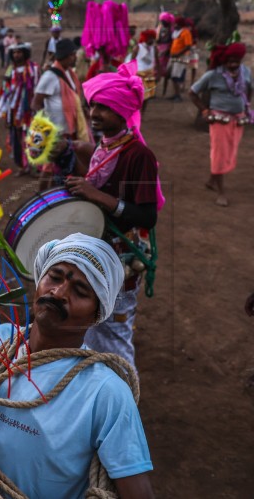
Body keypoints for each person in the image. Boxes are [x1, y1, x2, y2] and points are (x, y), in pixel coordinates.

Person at [0, 233, 154, 499]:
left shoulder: (106, 393)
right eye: (55, 277)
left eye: (80, 291)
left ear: (97, 314)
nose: (59, 293)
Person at [64, 62, 159, 369]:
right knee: (92, 324)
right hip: (99, 252)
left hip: (121, 259)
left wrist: (98, 196)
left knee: (116, 334)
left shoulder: (139, 155)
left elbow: (146, 217)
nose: (94, 113)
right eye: (92, 106)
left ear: (123, 111)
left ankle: (124, 399)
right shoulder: (106, 146)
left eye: (104, 107)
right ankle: (96, 389)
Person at [189, 42, 252, 207]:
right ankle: (221, 193)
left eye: (236, 61)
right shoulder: (213, 75)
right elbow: (193, 92)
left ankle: (211, 180)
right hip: (219, 119)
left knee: (228, 152)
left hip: (238, 119)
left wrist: (247, 106)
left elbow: (249, 88)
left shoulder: (245, 71)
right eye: (230, 61)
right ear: (223, 61)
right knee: (219, 153)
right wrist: (204, 111)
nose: (233, 65)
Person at [32, 38, 90, 143]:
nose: (75, 57)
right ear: (66, 56)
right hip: (56, 134)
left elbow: (74, 96)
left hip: (70, 131)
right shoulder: (50, 76)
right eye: (73, 54)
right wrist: (47, 127)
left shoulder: (69, 73)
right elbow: (36, 104)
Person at [0, 43, 40, 175]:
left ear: (25, 53)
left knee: (33, 138)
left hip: (31, 110)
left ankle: (34, 167)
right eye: (14, 52)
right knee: (16, 139)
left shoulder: (34, 69)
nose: (17, 54)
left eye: (19, 52)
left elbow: (38, 88)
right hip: (15, 112)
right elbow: (6, 93)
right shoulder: (10, 71)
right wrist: (6, 114)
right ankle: (22, 166)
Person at [167, 17, 193, 101]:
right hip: (173, 56)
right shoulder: (176, 32)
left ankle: (178, 95)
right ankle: (175, 94)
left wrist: (178, 53)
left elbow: (188, 46)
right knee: (172, 75)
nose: (174, 25)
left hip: (181, 57)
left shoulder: (186, 32)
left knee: (176, 76)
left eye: (176, 24)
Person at [133, 29, 159, 112]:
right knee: (137, 96)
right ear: (145, 38)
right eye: (150, 38)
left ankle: (142, 113)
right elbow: (131, 61)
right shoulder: (138, 47)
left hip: (149, 74)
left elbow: (157, 61)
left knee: (147, 96)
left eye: (153, 38)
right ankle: (135, 113)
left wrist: (159, 72)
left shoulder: (154, 48)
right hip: (139, 74)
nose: (152, 40)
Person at [156, 12, 174, 94]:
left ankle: (164, 91)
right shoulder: (160, 28)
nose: (163, 22)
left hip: (167, 52)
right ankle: (155, 91)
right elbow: (157, 40)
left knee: (166, 73)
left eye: (164, 21)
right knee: (157, 72)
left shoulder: (171, 30)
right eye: (162, 21)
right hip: (160, 50)